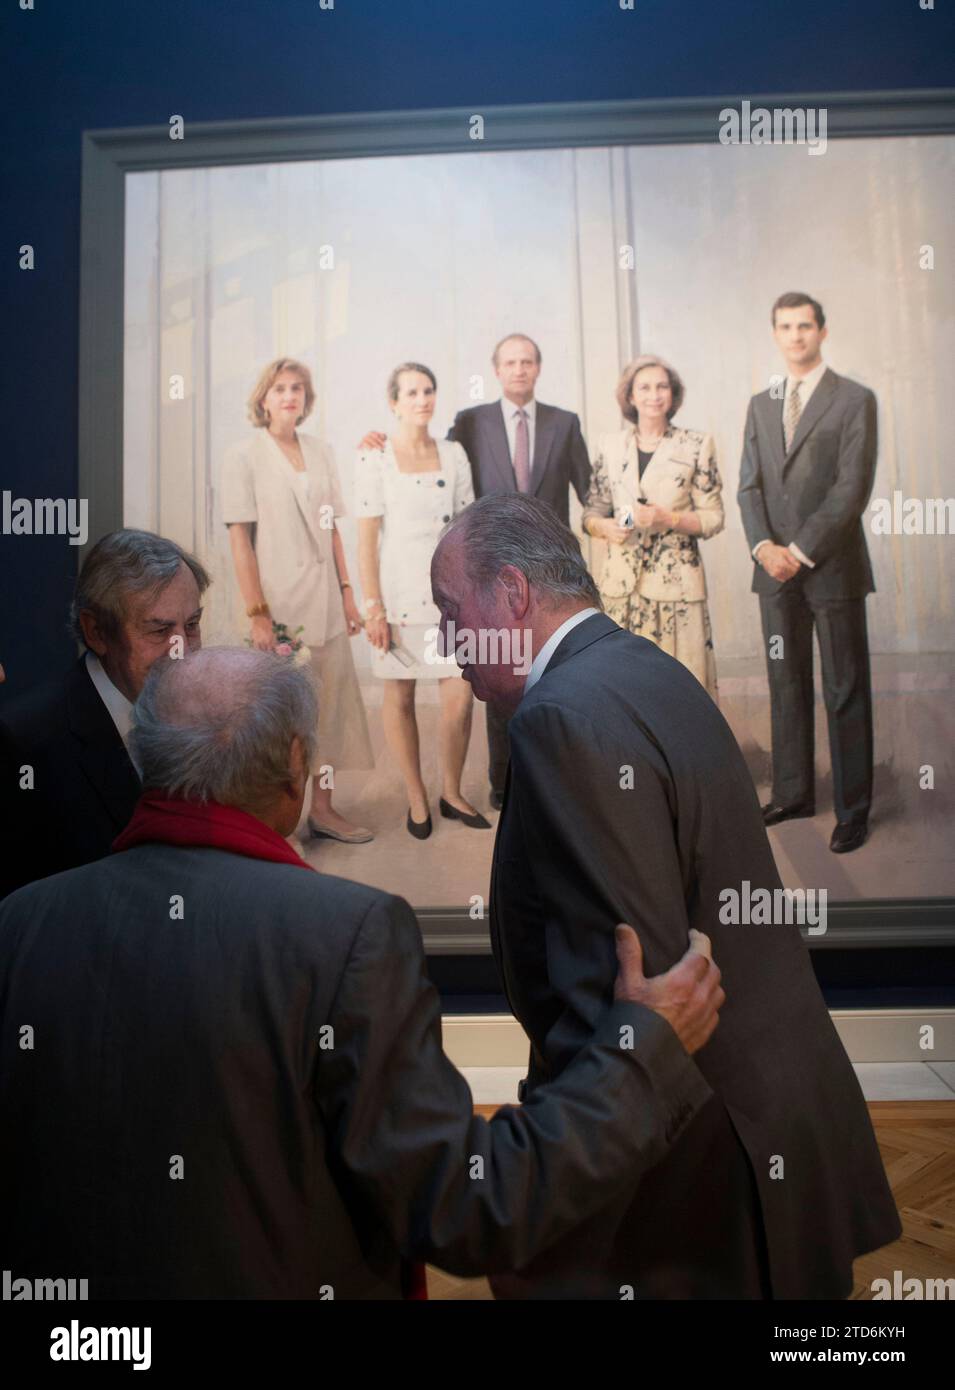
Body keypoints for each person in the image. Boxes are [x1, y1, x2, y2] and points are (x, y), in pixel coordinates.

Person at [0, 646, 725, 1299]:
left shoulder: (19, 924)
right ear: (294, 765)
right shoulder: (343, 934)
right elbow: (466, 1209)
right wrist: (642, 1050)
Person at [430, 493, 900, 1299]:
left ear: (511, 593)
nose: (445, 641)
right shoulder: (645, 666)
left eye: (449, 610)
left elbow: (634, 989)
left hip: (694, 1164)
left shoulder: (559, 717)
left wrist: (548, 1200)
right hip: (770, 1115)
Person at [359, 333, 592, 809]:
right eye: (510, 362)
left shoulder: (564, 423)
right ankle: (500, 784)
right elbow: (417, 478)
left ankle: (555, 778)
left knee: (547, 673)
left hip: (545, 569)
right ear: (496, 369)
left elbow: (592, 493)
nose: (519, 369)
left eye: (527, 361)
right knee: (500, 676)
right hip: (470, 575)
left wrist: (617, 522)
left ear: (538, 367)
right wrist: (376, 437)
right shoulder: (469, 423)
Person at [738, 293, 878, 854]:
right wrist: (765, 548)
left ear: (822, 331)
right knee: (785, 681)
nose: (795, 336)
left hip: (833, 568)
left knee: (844, 687)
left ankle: (853, 808)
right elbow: (748, 485)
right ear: (775, 334)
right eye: (785, 327)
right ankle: (793, 793)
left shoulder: (854, 399)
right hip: (773, 572)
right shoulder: (761, 403)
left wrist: (799, 548)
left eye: (804, 326)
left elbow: (852, 488)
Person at [0, 528, 208, 900]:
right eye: (160, 630)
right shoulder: (23, 743)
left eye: (191, 625)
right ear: (96, 632)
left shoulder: (206, 716)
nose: (183, 651)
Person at [222, 357, 373, 845]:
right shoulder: (242, 457)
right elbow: (240, 542)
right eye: (280, 388)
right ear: (263, 399)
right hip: (279, 608)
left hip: (327, 602)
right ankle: (271, 821)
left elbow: (332, 534)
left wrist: (349, 593)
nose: (290, 395)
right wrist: (257, 614)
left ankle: (324, 812)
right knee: (282, 718)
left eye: (298, 389)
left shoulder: (322, 452)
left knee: (329, 716)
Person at [355, 362, 488, 838]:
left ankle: (450, 792)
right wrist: (374, 607)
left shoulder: (453, 455)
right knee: (401, 695)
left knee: (459, 697)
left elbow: (469, 528)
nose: (422, 399)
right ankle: (416, 796)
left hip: (451, 595)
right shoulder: (374, 457)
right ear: (393, 402)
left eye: (428, 390)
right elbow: (366, 540)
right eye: (410, 392)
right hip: (396, 596)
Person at [582, 355, 723, 700]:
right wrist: (606, 528)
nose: (654, 395)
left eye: (662, 387)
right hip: (620, 591)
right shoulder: (609, 446)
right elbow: (592, 513)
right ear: (630, 396)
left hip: (678, 592)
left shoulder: (696, 444)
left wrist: (671, 519)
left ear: (673, 395)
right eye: (644, 387)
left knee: (680, 689)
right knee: (624, 689)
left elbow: (714, 517)